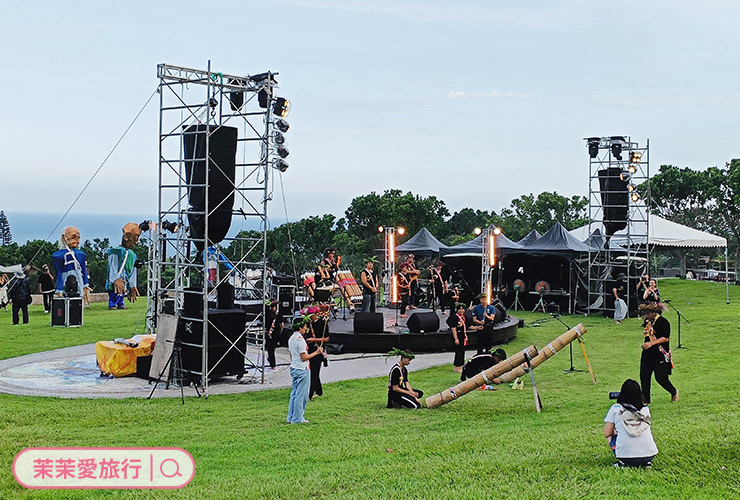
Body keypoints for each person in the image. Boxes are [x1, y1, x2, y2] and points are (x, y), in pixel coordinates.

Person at [603, 379, 658, 468]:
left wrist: (616, 431)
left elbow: (606, 433)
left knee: (611, 435)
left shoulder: (616, 409)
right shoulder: (645, 410)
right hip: (649, 455)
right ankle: (645, 463)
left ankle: (623, 461)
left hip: (625, 457)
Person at [639, 302, 678, 404]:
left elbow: (665, 338)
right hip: (647, 353)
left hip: (659, 354)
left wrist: (651, 343)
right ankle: (646, 399)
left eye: (647, 314)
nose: (646, 316)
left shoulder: (663, 322)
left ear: (654, 312)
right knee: (644, 376)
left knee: (661, 378)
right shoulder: (648, 323)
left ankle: (673, 391)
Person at [287, 317, 323, 424]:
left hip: (294, 367)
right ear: (300, 327)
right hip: (302, 369)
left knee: (294, 393)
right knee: (301, 395)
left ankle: (291, 416)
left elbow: (291, 355)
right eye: (305, 326)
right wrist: (317, 352)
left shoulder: (291, 338)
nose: (306, 328)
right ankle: (298, 418)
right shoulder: (300, 341)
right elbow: (304, 357)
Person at [106, 223, 142, 309]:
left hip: (124, 279)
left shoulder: (132, 255)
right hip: (116, 280)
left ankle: (120, 303)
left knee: (121, 291)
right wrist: (115, 278)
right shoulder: (116, 251)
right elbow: (112, 265)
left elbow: (132, 270)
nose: (135, 242)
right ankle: (113, 303)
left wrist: (132, 284)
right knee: (115, 291)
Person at [52, 226, 91, 304]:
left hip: (78, 282)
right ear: (64, 238)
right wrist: (59, 288)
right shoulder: (58, 256)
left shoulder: (81, 255)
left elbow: (83, 270)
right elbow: (59, 273)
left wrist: (85, 285)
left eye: (78, 237)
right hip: (65, 281)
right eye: (73, 237)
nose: (76, 240)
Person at [307, 311, 330, 400]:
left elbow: (327, 338)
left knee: (314, 373)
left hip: (318, 350)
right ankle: (319, 391)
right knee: (313, 372)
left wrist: (313, 339)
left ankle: (310, 394)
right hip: (310, 350)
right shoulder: (308, 324)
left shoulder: (322, 323)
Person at [447, 302, 468, 372]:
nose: (461, 311)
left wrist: (477, 328)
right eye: (460, 309)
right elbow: (453, 329)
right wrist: (456, 339)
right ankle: (456, 367)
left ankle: (460, 365)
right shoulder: (455, 318)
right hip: (457, 336)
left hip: (463, 336)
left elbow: (468, 326)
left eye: (462, 309)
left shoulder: (465, 317)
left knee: (462, 351)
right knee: (458, 351)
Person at [264, 300, 284, 369]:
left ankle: (271, 359)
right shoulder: (267, 313)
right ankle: (273, 364)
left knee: (271, 348)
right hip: (269, 333)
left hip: (275, 333)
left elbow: (282, 324)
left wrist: (280, 332)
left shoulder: (278, 313)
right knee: (271, 349)